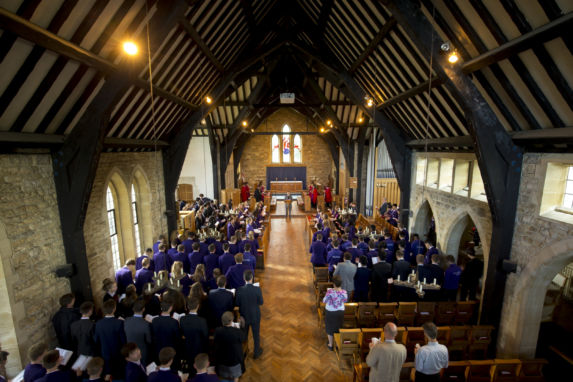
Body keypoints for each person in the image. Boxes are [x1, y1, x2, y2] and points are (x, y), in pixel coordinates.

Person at [94, 299, 126, 380]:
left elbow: (96, 340)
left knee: (108, 374)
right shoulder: (119, 323)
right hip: (118, 353)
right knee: (119, 375)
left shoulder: (98, 324)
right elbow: (123, 341)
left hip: (105, 353)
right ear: (114, 309)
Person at [235, 270, 264, 359]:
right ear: (252, 278)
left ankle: (244, 352)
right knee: (256, 335)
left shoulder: (239, 290)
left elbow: (237, 303)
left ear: (244, 279)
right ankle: (256, 352)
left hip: (244, 316)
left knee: (244, 335)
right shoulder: (257, 289)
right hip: (255, 315)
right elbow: (261, 302)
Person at [180, 298, 208, 377]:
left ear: (187, 307)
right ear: (198, 306)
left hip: (187, 347)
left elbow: (182, 333)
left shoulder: (182, 319)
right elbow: (205, 336)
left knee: (190, 369)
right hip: (199, 348)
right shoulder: (202, 321)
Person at [213, 312, 245, 382]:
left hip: (222, 361)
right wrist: (241, 328)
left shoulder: (217, 331)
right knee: (236, 377)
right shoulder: (237, 331)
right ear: (231, 321)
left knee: (224, 378)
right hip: (234, 361)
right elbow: (243, 338)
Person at [151, 301, 181, 367]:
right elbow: (178, 339)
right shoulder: (174, 322)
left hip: (158, 351)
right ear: (170, 308)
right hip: (170, 352)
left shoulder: (155, 321)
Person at [124, 300, 152, 367]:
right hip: (141, 353)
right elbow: (149, 340)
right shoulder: (146, 324)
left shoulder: (126, 320)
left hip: (129, 352)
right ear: (143, 309)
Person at [323, 276, 347, 351]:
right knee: (338, 327)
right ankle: (337, 344)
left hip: (330, 311)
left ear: (333, 284)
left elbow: (324, 301)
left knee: (329, 327)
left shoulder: (330, 292)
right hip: (340, 312)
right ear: (341, 284)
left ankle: (330, 344)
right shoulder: (344, 292)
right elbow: (345, 300)